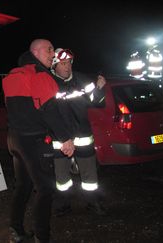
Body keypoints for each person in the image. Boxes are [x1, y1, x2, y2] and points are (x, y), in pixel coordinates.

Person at [3, 39, 75, 243]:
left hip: (14, 138)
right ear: (35, 52)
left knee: (24, 185)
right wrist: (65, 138)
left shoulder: (13, 75)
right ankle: (42, 237)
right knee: (45, 188)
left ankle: (16, 229)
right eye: (49, 49)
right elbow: (50, 110)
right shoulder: (40, 75)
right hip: (32, 140)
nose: (53, 53)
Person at [50, 48, 106, 216]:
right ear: (54, 66)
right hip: (59, 138)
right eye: (63, 64)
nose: (67, 67)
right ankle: (63, 205)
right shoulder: (48, 83)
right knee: (62, 178)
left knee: (90, 176)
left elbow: (98, 102)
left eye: (69, 63)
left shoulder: (82, 80)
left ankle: (93, 203)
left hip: (83, 135)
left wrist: (99, 89)